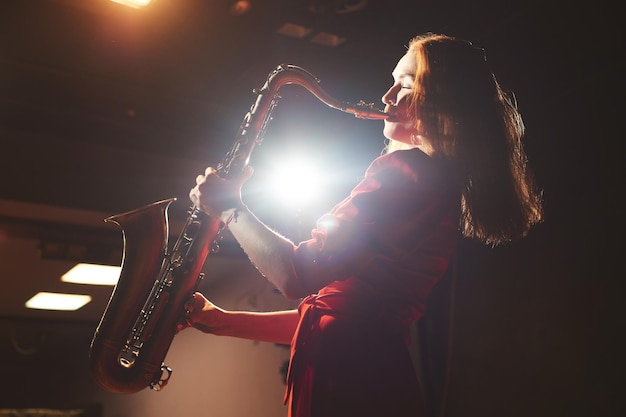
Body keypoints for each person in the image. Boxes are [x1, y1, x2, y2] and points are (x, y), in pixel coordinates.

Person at [179, 33, 543, 417]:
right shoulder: (434, 183)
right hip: (364, 373)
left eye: (404, 85)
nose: (386, 96)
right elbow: (332, 318)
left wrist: (229, 207)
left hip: (347, 382)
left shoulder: (407, 172)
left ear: (441, 101)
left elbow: (297, 276)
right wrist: (220, 322)